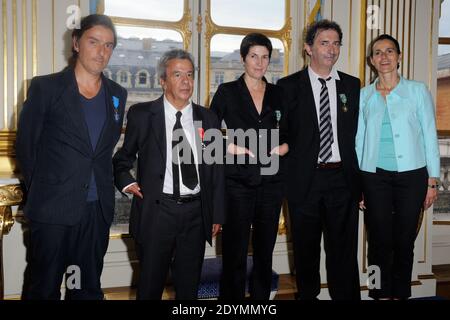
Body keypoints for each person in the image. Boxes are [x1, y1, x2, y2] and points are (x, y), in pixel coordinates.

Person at [16, 14, 127, 300]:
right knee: (44, 287)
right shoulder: (46, 88)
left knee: (84, 287)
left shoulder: (117, 95)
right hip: (53, 210)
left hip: (95, 212)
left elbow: (104, 150)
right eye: (94, 42)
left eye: (109, 45)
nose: (102, 51)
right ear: (77, 43)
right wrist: (45, 192)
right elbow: (27, 148)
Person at [113, 49, 225, 300]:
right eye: (177, 75)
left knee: (188, 290)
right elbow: (122, 158)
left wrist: (216, 213)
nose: (186, 81)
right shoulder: (142, 115)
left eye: (189, 75)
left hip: (196, 215)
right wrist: (127, 182)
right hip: (157, 213)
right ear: (163, 81)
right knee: (150, 288)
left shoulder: (208, 118)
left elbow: (216, 169)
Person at [277, 20, 361, 300]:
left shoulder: (352, 85)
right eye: (324, 42)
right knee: (306, 252)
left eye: (336, 43)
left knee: (344, 254)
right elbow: (281, 135)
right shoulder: (287, 87)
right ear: (308, 48)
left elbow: (357, 138)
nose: (332, 48)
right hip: (305, 183)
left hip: (343, 181)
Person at [356, 34, 440, 300]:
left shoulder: (417, 90)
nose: (384, 57)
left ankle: (400, 295)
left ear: (399, 57)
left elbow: (429, 134)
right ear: (371, 60)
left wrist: (432, 180)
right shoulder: (364, 95)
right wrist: (359, 184)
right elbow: (358, 141)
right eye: (378, 52)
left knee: (404, 242)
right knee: (377, 243)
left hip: (413, 177)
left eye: (390, 51)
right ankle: (378, 293)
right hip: (374, 177)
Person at [210, 33, 289, 300]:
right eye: (253, 56)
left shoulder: (279, 94)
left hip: (271, 183)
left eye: (265, 57)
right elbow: (207, 136)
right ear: (243, 58)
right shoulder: (226, 92)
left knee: (265, 253)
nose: (259, 62)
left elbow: (294, 133)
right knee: (234, 253)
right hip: (237, 183)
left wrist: (285, 147)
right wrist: (229, 147)